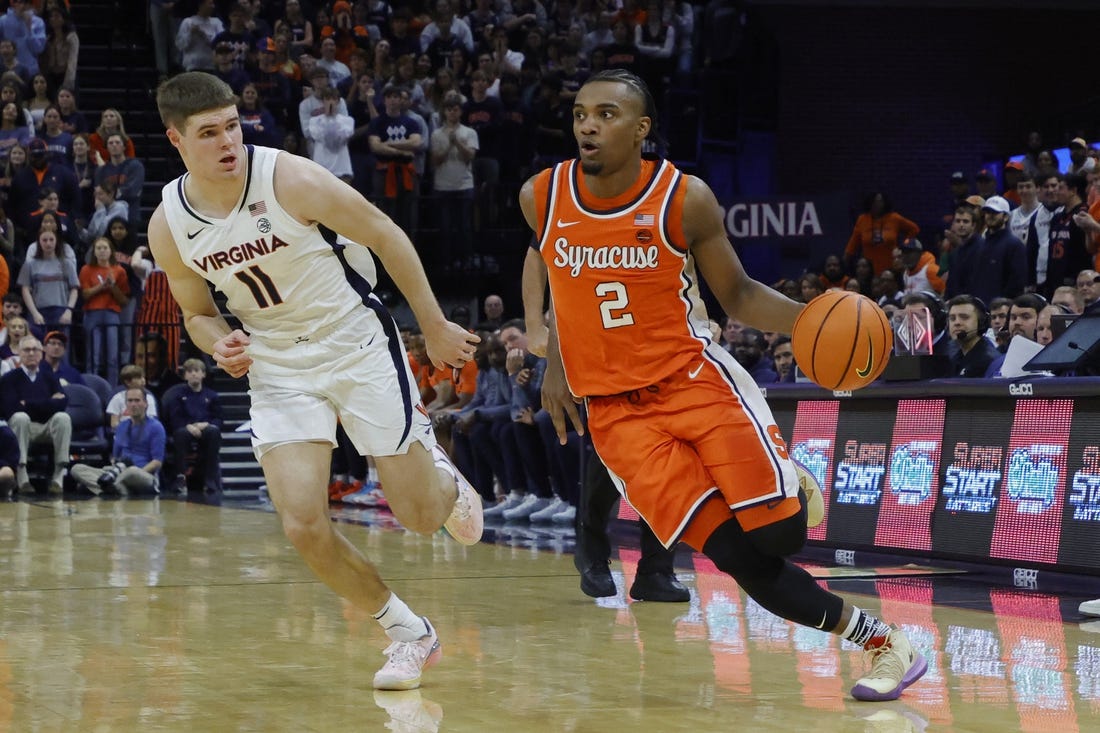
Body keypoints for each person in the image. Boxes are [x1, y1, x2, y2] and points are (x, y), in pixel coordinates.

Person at [520, 69, 924, 702]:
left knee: (780, 537)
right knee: (739, 558)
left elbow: (735, 295)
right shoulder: (541, 196)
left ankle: (791, 481)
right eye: (578, 115)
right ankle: (886, 643)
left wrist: (817, 323)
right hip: (618, 417)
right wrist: (550, 357)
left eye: (605, 114)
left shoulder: (684, 199)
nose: (587, 126)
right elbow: (547, 257)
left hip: (693, 383)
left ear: (642, 129)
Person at [150, 72, 483, 691]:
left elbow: (386, 234)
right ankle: (409, 633)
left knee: (416, 516)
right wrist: (215, 341)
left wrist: (433, 325)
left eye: (233, 126)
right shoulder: (170, 224)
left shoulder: (290, 178)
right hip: (278, 364)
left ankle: (442, 478)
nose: (228, 142)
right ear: (177, 139)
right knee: (302, 522)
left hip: (355, 343)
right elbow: (195, 311)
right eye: (209, 133)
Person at [0, 334, 71, 494]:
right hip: (21, 428)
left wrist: (29, 403)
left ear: (41, 353)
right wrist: (48, 403)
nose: (31, 353)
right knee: (20, 417)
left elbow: (62, 403)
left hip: (46, 427)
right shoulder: (9, 378)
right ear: (19, 353)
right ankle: (22, 477)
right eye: (27, 350)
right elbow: (11, 408)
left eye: (34, 350)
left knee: (63, 418)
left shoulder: (49, 377)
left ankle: (58, 477)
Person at [71, 387, 165, 496]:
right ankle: (117, 490)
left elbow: (157, 462)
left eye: (137, 400)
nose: (133, 404)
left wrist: (137, 472)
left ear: (145, 404)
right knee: (77, 469)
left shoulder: (156, 427)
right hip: (120, 471)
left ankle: (107, 487)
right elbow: (115, 457)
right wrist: (114, 469)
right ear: (126, 404)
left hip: (142, 474)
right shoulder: (121, 427)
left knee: (132, 472)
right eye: (130, 401)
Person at [163, 358, 223, 494]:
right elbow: (175, 418)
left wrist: (206, 424)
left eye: (197, 371)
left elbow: (219, 418)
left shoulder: (212, 396)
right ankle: (181, 477)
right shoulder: (178, 396)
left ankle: (210, 480)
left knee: (213, 433)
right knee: (181, 433)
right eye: (190, 371)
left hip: (205, 428)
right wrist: (189, 426)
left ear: (203, 374)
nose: (194, 374)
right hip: (186, 428)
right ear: (185, 375)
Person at [79, 236, 130, 385]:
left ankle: (112, 386)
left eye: (105, 248)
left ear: (111, 251)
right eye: (98, 248)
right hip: (92, 312)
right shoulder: (86, 269)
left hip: (111, 313)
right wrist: (102, 286)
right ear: (94, 252)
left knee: (112, 356)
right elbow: (85, 294)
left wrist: (113, 286)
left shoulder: (119, 270)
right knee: (93, 354)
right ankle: (91, 385)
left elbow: (124, 299)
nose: (102, 251)